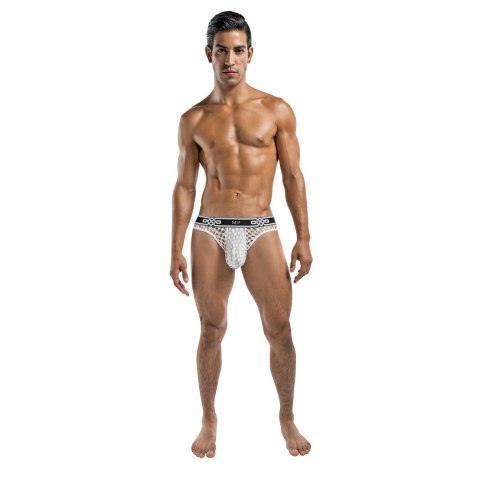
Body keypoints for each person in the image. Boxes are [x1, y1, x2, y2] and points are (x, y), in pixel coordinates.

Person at [170, 11, 312, 458]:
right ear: (208, 54)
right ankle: (208, 419)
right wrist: (175, 248)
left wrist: (304, 238)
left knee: (280, 330)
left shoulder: (276, 110)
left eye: (237, 51)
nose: (229, 60)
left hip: (260, 227)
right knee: (211, 330)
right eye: (221, 51)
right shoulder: (193, 119)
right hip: (210, 229)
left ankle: (286, 417)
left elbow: (292, 176)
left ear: (250, 54)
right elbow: (185, 186)